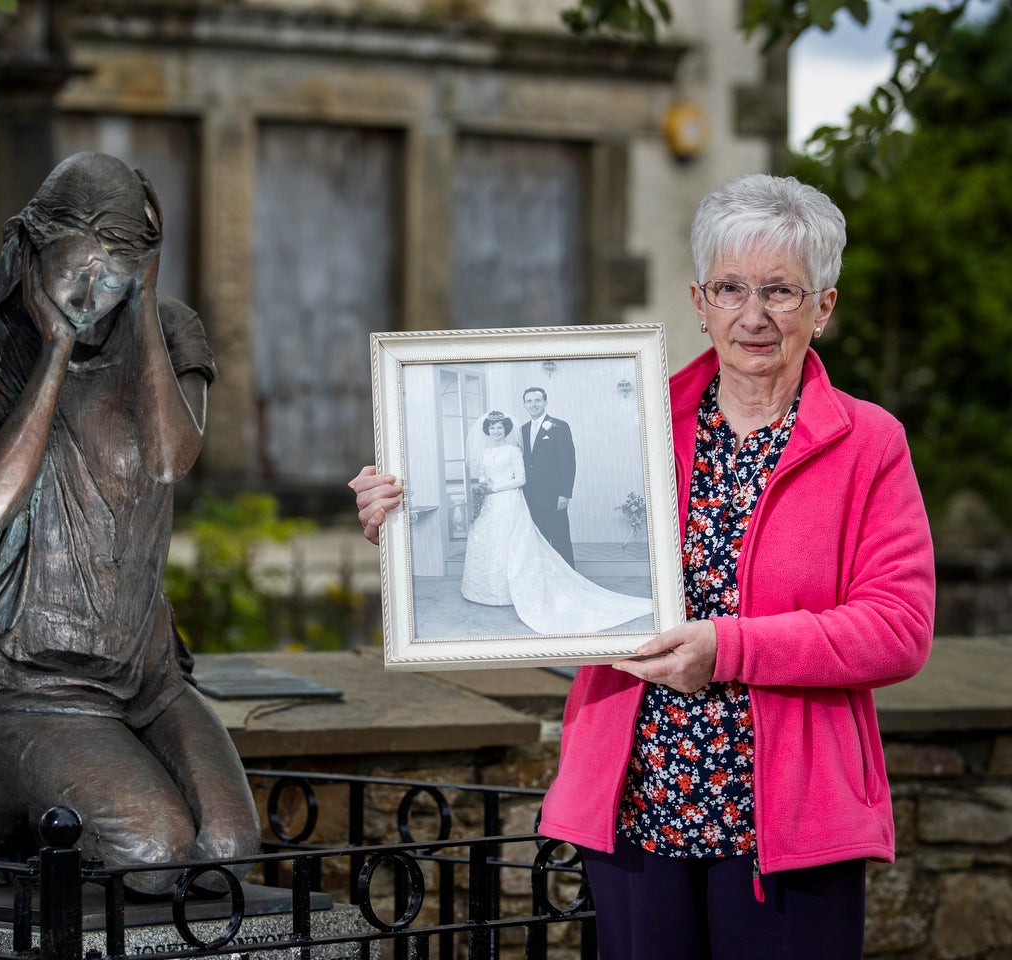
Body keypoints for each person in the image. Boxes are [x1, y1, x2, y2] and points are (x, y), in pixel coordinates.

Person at [351, 174, 935, 959]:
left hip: (789, 822)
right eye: (729, 288)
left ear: (823, 307)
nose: (752, 315)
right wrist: (398, 520)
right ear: (699, 300)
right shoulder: (639, 420)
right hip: (638, 805)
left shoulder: (869, 442)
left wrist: (728, 649)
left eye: (781, 292)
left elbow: (898, 630)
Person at [0, 152, 261, 895]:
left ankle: (21, 810)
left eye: (112, 277)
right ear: (31, 250)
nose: (88, 294)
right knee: (151, 851)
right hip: (27, 675)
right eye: (72, 273)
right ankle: (26, 785)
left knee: (228, 852)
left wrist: (142, 311)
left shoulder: (170, 332)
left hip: (146, 672)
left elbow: (173, 459)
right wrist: (54, 350)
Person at [461, 410, 652, 634]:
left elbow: (521, 479)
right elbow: (483, 475)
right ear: (488, 431)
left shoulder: (514, 450)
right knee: (491, 543)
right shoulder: (485, 453)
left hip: (509, 502)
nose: (496, 431)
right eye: (492, 428)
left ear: (505, 429)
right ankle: (488, 590)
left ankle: (519, 590)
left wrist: (496, 487)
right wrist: (484, 485)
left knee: (513, 542)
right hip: (490, 505)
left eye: (499, 427)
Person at [519, 387, 576, 566]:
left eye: (537, 400)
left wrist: (564, 493)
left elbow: (568, 462)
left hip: (554, 496)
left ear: (545, 402)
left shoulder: (559, 426)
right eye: (529, 401)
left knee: (560, 541)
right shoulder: (523, 429)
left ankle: (569, 582)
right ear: (524, 404)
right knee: (539, 542)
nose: (533, 404)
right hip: (531, 496)